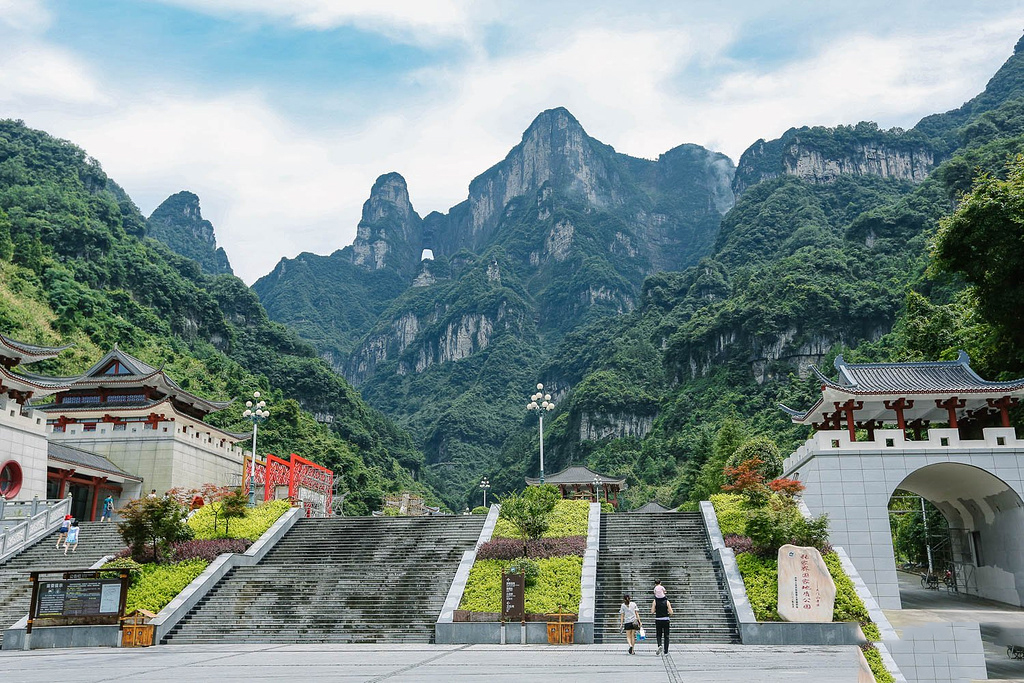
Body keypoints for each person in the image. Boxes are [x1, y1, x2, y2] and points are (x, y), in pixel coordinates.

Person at [650, 580, 674, 655]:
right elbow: (671, 612)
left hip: (658, 619)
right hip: (666, 619)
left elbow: (652, 611)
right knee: (666, 635)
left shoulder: (655, 601)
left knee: (659, 634)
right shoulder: (667, 602)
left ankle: (659, 645)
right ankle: (666, 651)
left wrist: (656, 610)